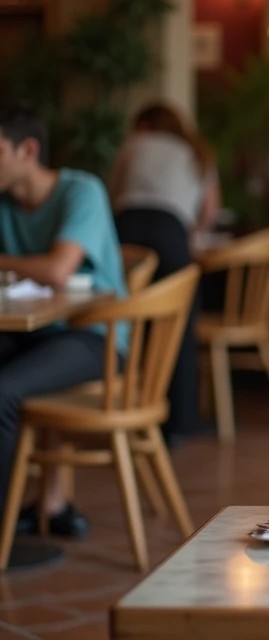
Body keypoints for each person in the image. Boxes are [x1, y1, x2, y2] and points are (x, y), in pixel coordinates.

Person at [0, 100, 127, 538]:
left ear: (28, 151)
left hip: (96, 338)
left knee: (3, 393)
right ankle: (46, 503)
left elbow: (58, 270)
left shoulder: (81, 191)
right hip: (35, 333)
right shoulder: (3, 205)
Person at [109, 101, 220, 444]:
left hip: (126, 229)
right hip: (170, 230)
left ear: (144, 125)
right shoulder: (197, 151)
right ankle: (179, 425)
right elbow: (210, 210)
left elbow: (112, 197)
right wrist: (189, 233)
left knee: (125, 318)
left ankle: (118, 412)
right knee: (178, 325)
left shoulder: (132, 145)